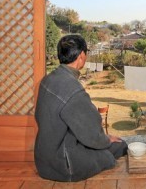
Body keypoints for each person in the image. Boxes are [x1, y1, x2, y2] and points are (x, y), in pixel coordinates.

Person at [34, 34, 128, 182]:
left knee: (110, 146)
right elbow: (91, 134)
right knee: (119, 148)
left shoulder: (48, 79)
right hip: (63, 164)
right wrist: (107, 139)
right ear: (82, 55)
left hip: (43, 159)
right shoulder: (73, 90)